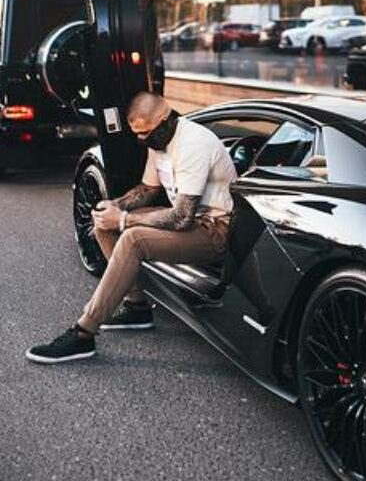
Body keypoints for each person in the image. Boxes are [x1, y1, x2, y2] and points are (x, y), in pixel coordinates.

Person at [26, 92, 237, 364]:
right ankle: (137, 307)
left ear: (165, 119)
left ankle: (83, 333)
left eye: (146, 133)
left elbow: (182, 217)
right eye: (137, 134)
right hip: (188, 221)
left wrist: (124, 219)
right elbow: (148, 188)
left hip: (214, 230)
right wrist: (115, 206)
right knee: (104, 224)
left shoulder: (193, 143)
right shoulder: (159, 141)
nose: (141, 139)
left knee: (133, 239)